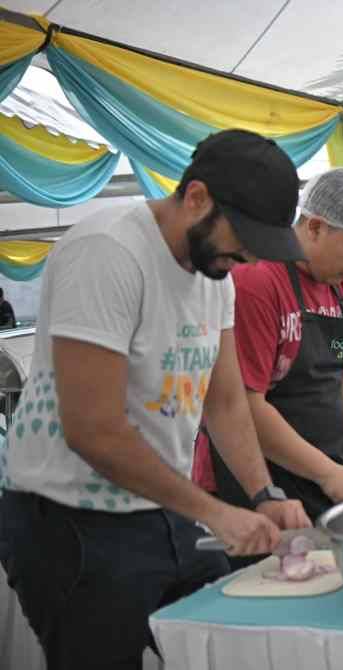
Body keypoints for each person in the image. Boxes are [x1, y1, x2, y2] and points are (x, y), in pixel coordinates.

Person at [0, 129, 311, 670]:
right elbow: (93, 429)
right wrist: (216, 513)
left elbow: (225, 402)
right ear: (197, 197)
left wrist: (263, 494)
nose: (247, 255)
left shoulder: (216, 276)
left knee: (217, 643)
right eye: (243, 236)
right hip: (73, 521)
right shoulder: (108, 252)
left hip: (163, 506)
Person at [201, 169, 343, 524]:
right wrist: (326, 472)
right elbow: (243, 402)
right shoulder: (257, 281)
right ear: (315, 227)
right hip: (259, 481)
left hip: (321, 471)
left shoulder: (340, 289)